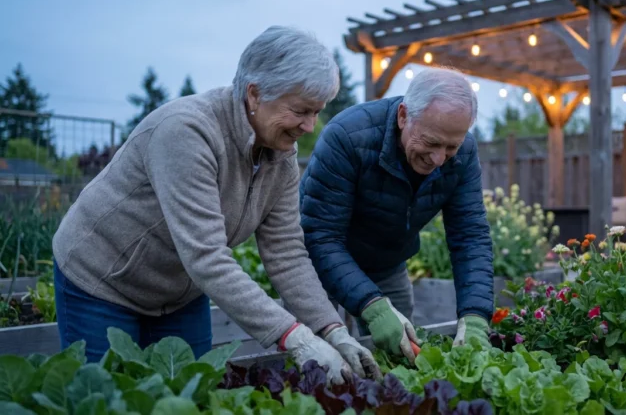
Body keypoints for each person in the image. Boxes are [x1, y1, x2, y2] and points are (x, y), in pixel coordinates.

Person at [51, 26, 381, 385]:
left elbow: (286, 251)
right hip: (103, 282)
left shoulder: (281, 154)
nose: (310, 125)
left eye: (316, 112)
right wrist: (295, 337)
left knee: (190, 396)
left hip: (180, 291)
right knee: (108, 396)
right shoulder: (187, 132)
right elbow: (206, 255)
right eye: (301, 110)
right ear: (255, 94)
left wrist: (332, 329)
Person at [299, 67, 494, 365]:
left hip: (387, 263)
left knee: (401, 358)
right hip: (317, 265)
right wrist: (373, 306)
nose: (439, 158)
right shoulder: (347, 137)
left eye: (450, 147)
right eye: (431, 142)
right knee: (317, 360)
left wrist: (476, 315)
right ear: (404, 116)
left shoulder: (464, 153)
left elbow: (470, 236)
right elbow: (321, 236)